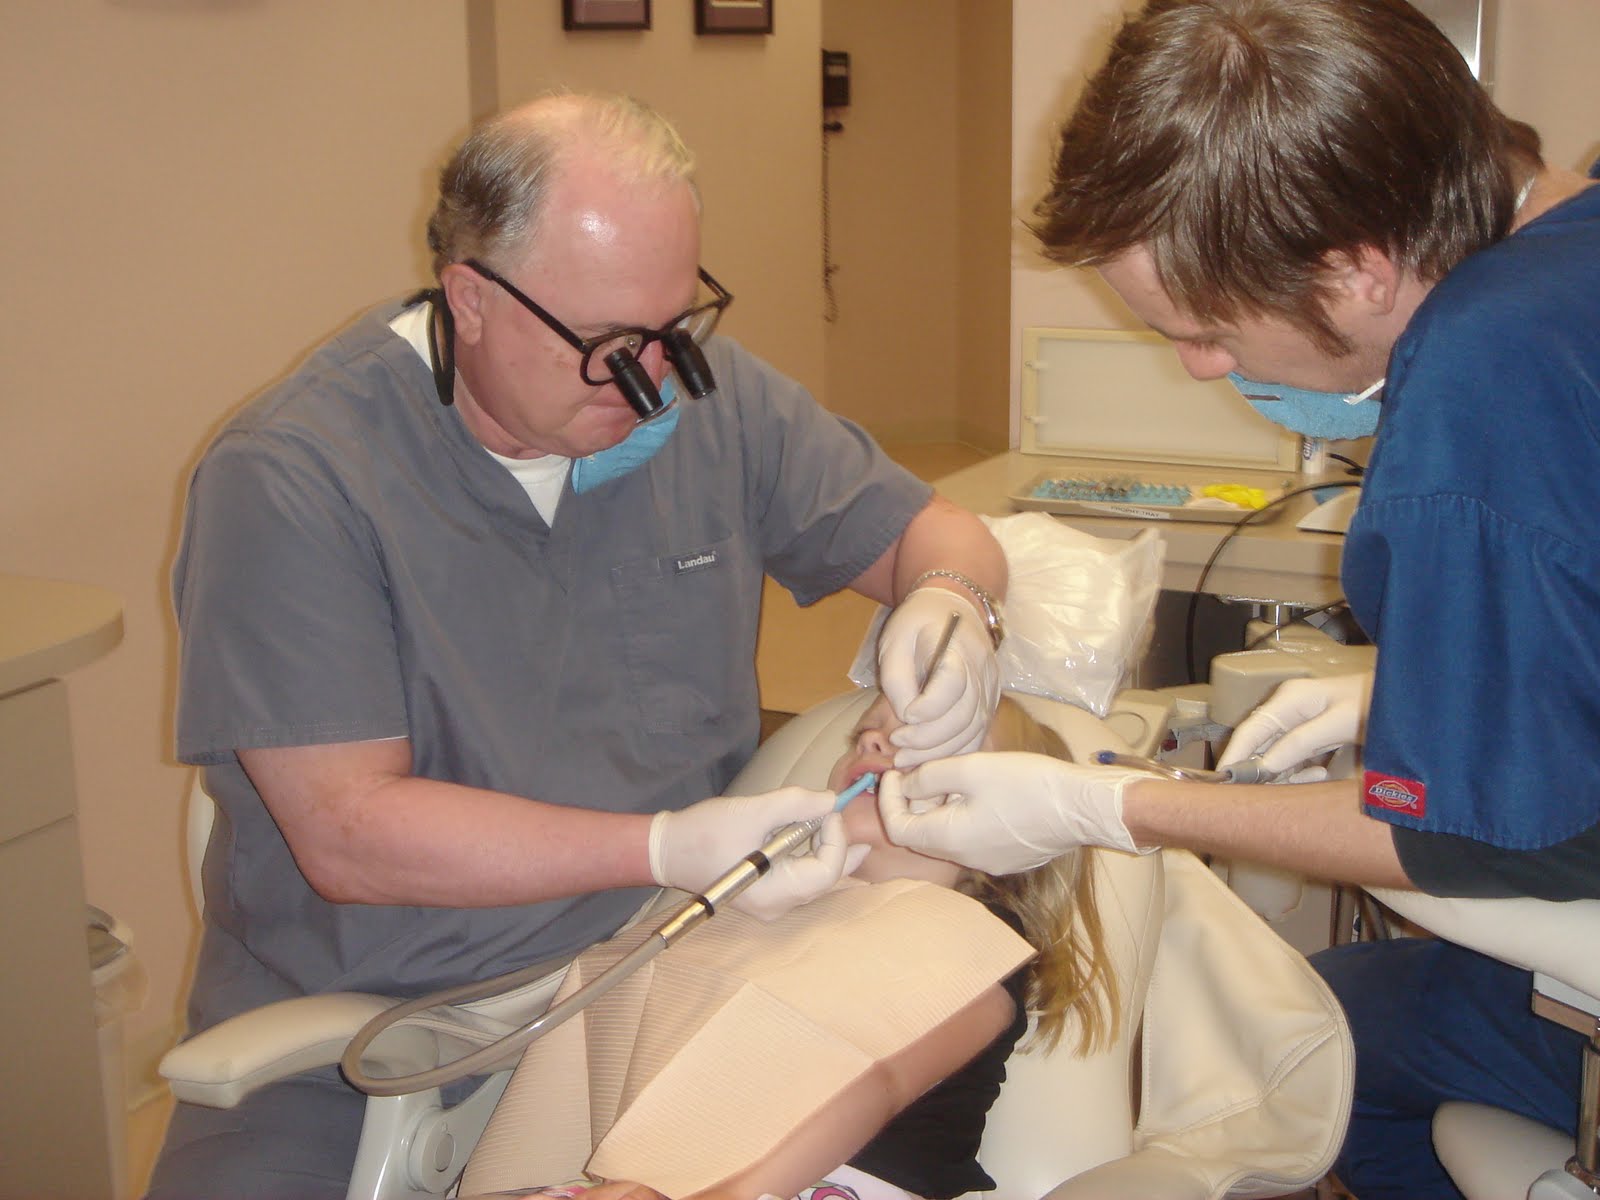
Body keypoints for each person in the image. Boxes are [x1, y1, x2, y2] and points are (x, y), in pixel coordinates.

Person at [153, 92, 1008, 1198]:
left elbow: (932, 534)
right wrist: (663, 846)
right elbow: (351, 835)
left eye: (674, 326)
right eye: (609, 345)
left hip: (666, 966)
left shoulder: (713, 406)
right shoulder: (296, 480)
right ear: (471, 298)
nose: (654, 377)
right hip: (373, 1026)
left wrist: (952, 601)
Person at [872, 2, 1599, 1197]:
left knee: (1301, 1056)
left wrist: (1109, 804)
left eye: (1207, 332)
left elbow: (1457, 843)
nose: (1200, 368)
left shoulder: (1481, 379)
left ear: (1359, 264)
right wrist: (1398, 683)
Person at [458, 693, 1116, 1200]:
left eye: (929, 746)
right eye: (870, 732)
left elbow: (875, 1080)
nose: (880, 740)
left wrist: (723, 1192)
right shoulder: (760, 906)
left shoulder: (975, 942)